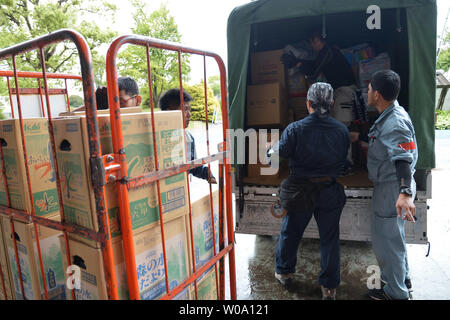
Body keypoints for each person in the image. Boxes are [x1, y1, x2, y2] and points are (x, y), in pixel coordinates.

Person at [268, 82, 349, 300]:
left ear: (308, 103)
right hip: (330, 191)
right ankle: (329, 288)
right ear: (331, 103)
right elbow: (344, 162)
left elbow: (275, 155)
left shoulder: (295, 129)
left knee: (291, 232)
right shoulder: (342, 131)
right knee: (329, 239)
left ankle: (284, 272)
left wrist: (270, 150)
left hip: (300, 192)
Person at [351, 70, 417, 300]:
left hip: (392, 189)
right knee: (394, 239)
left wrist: (404, 192)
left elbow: (402, 158)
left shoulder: (395, 122)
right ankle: (403, 281)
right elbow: (390, 149)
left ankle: (396, 294)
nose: (367, 92)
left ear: (377, 94)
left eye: (369, 89)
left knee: (387, 244)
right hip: (391, 187)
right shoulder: (390, 115)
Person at [283, 29, 357, 127]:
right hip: (339, 92)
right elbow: (315, 65)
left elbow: (314, 71)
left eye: (312, 43)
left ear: (317, 40)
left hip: (345, 92)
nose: (312, 47)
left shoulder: (328, 52)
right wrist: (297, 62)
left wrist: (297, 63)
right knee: (335, 125)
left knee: (342, 125)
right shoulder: (326, 52)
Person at [159, 88, 217, 184]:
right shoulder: (156, 138)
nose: (189, 115)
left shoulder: (188, 137)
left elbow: (192, 166)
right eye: (185, 109)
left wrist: (207, 173)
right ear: (169, 113)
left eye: (189, 110)